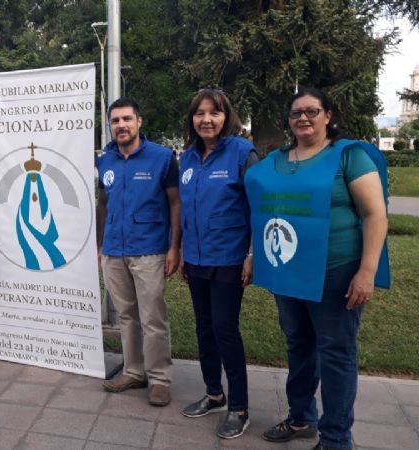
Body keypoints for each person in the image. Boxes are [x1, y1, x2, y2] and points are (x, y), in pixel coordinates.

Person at [245, 88, 389, 450]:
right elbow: (263, 215)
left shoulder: (348, 156)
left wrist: (366, 272)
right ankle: (301, 418)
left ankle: (336, 439)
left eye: (311, 111)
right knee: (298, 345)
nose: (303, 118)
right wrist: (252, 253)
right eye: (296, 113)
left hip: (336, 272)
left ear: (328, 115)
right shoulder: (276, 161)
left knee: (336, 351)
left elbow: (375, 214)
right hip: (288, 270)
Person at [178, 89, 257, 439]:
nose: (206, 119)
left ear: (227, 116)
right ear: (192, 119)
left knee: (225, 330)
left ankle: (239, 408)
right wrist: (181, 252)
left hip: (229, 258)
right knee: (203, 328)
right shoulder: (188, 158)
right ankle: (214, 393)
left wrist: (252, 254)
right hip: (195, 258)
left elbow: (259, 207)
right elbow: (184, 209)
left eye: (214, 113)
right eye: (199, 114)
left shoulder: (242, 152)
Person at [96, 97, 181, 407]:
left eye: (126, 119)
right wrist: (100, 244)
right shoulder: (105, 160)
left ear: (139, 122)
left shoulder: (161, 157)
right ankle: (134, 371)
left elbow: (176, 202)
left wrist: (174, 247)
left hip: (149, 249)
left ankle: (159, 378)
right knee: (127, 316)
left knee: (152, 317)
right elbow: (103, 203)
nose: (121, 125)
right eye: (115, 121)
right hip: (114, 250)